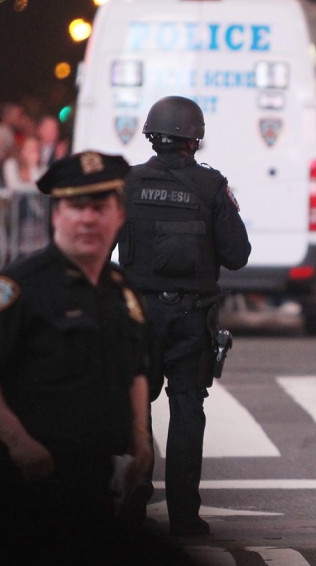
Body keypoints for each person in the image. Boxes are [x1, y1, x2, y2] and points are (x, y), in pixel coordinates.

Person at [0, 152, 154, 559]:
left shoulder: (122, 291)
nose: (88, 219)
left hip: (94, 477)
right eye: (76, 206)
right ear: (57, 214)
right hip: (25, 478)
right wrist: (19, 442)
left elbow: (134, 370)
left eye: (99, 207)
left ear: (119, 216)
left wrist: (139, 436)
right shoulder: (20, 285)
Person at [118, 95, 251, 536]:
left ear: (151, 135)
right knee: (188, 410)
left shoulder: (128, 183)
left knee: (136, 409)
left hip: (138, 316)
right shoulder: (211, 186)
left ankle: (133, 501)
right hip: (191, 318)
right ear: (195, 138)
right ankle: (184, 516)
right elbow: (237, 254)